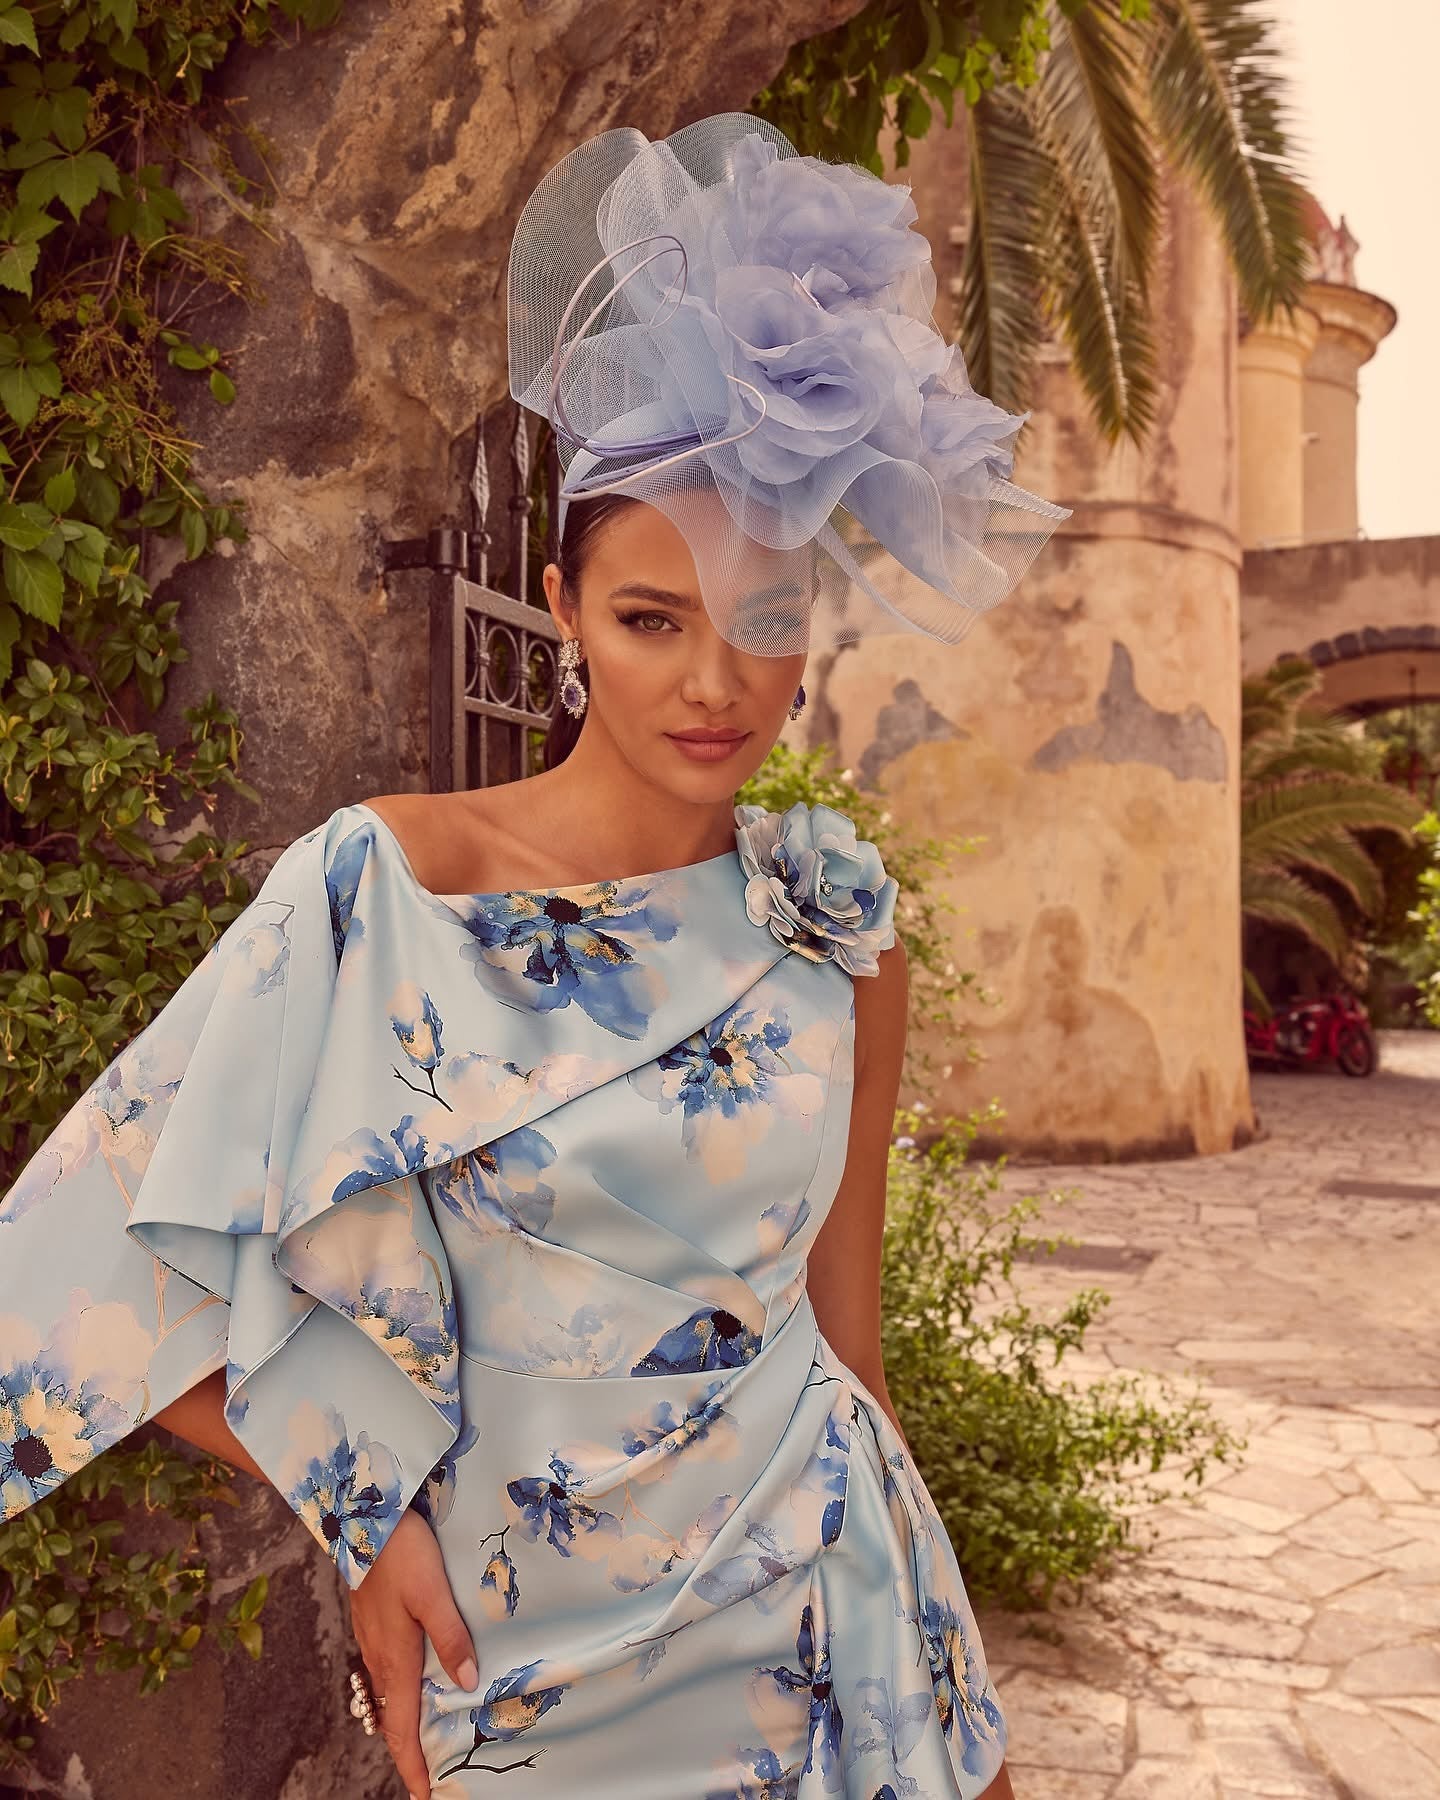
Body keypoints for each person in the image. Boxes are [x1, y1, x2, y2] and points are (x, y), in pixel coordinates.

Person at [0, 113, 1068, 1796]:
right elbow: (79, 1276)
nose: (716, 683)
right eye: (654, 619)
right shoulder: (384, 890)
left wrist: (944, 1679)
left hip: (836, 1623)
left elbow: (845, 1350)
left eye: (768, 620)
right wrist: (360, 1516)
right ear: (563, 609)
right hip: (532, 1663)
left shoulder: (841, 937)